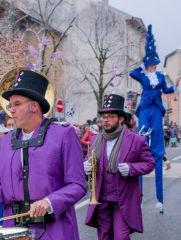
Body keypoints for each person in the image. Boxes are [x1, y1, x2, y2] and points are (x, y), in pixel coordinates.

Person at [0, 69, 87, 239]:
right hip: (13, 230)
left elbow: (78, 185)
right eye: (10, 105)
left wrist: (50, 202)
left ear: (34, 106)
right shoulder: (6, 140)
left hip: (53, 229)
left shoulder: (64, 134)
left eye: (17, 104)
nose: (11, 110)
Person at [84, 94, 155, 240]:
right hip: (101, 198)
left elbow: (149, 164)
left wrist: (131, 169)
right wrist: (85, 166)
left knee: (121, 237)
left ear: (121, 119)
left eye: (110, 116)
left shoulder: (137, 139)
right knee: (104, 237)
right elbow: (88, 159)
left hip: (123, 199)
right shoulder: (97, 139)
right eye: (104, 117)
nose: (106, 120)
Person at [129, 24, 180, 213]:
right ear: (148, 63)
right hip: (144, 109)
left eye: (156, 63)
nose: (156, 66)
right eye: (153, 63)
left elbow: (166, 90)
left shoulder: (159, 76)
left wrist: (174, 86)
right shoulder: (142, 75)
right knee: (142, 138)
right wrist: (143, 65)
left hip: (157, 108)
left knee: (157, 143)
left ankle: (160, 199)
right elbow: (132, 73)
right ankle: (139, 197)